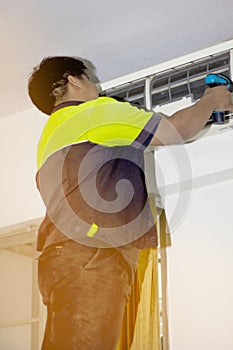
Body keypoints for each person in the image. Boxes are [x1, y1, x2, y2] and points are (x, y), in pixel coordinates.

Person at [28, 56, 233, 350]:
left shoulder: (49, 136)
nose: (96, 86)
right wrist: (213, 100)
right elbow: (176, 130)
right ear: (73, 81)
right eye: (90, 79)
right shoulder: (94, 113)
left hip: (63, 260)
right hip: (92, 255)